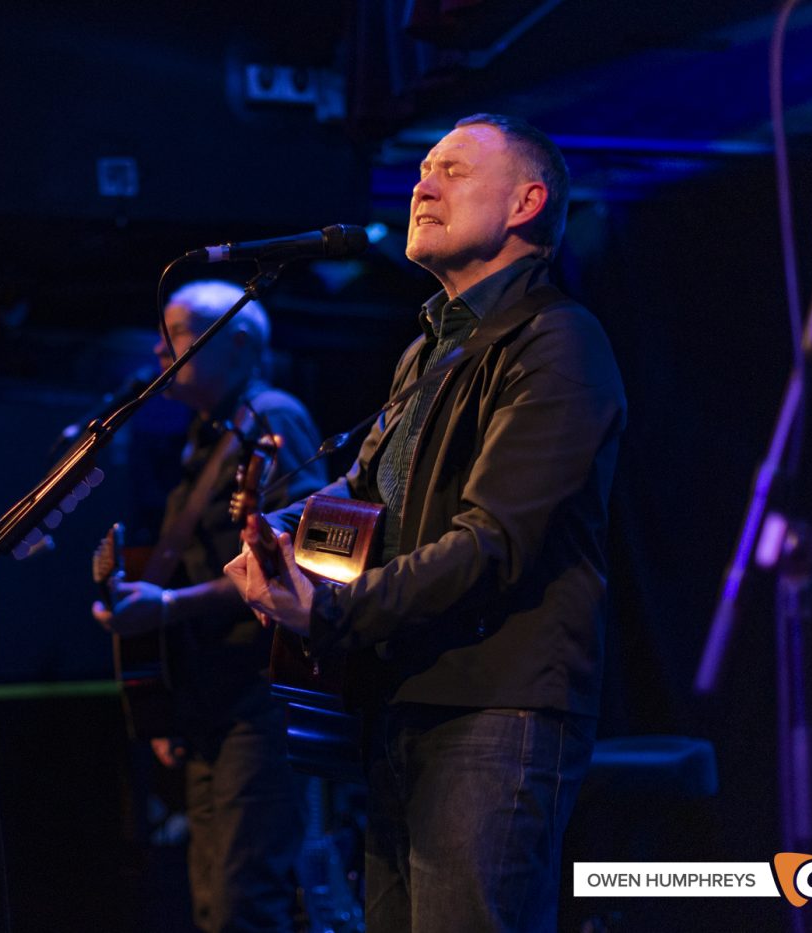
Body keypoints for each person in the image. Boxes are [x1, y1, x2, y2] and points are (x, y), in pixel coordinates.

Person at [227, 114, 627, 932]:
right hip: (403, 700)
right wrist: (277, 538)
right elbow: (361, 501)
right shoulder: (428, 351)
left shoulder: (557, 341)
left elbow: (493, 541)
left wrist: (332, 608)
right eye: (420, 171)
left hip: (494, 705)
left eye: (451, 169)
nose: (421, 184)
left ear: (527, 202)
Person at [92, 280, 327, 932]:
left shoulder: (272, 419)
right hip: (211, 699)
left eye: (180, 332)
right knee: (211, 899)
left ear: (242, 343)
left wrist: (167, 607)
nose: (160, 348)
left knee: (241, 899)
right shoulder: (208, 436)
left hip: (259, 698)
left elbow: (301, 561)